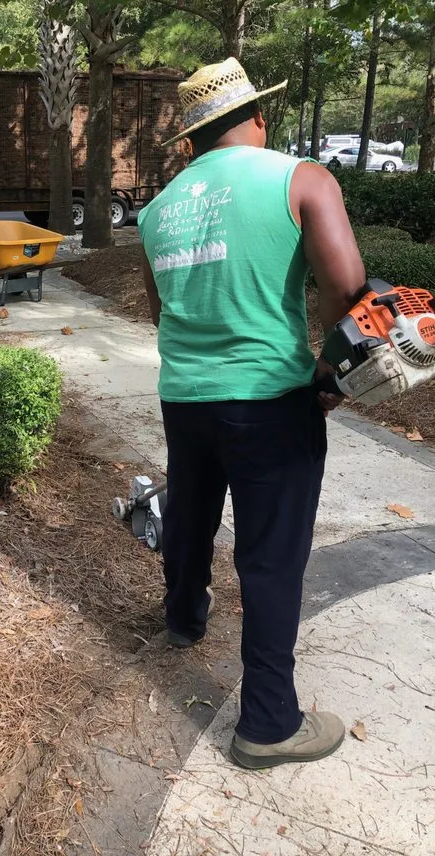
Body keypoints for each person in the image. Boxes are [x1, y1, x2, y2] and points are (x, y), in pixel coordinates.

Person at [137, 58, 366, 770]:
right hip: (269, 399)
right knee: (270, 556)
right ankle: (268, 723)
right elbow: (350, 290)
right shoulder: (301, 179)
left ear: (193, 139)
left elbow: (160, 311)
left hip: (185, 394)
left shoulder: (156, 209)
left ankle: (182, 619)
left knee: (192, 511)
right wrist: (330, 370)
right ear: (258, 119)